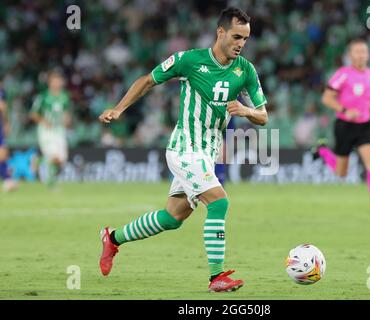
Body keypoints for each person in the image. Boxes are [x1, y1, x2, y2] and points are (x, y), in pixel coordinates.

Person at [98, 7, 268, 292]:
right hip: (184, 148)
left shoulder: (246, 70)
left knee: (172, 217)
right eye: (237, 36)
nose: (241, 43)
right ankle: (217, 277)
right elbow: (148, 80)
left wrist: (246, 111)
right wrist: (118, 109)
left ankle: (112, 238)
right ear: (220, 32)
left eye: (246, 38)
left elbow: (264, 116)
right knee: (219, 201)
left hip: (207, 154)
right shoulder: (189, 61)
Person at [315, 38, 370, 218]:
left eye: (363, 51)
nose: (361, 55)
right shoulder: (343, 74)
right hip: (344, 126)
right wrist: (344, 110)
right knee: (341, 173)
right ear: (350, 55)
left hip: (364, 126)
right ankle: (323, 151)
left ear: (368, 54)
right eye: (357, 51)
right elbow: (326, 98)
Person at [30, 71, 71, 188]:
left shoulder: (65, 97)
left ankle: (38, 160)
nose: (57, 83)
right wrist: (44, 121)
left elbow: (66, 112)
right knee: (53, 157)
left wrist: (67, 121)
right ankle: (50, 183)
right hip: (46, 131)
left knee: (61, 160)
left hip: (60, 131)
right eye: (54, 81)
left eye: (58, 81)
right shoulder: (43, 97)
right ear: (49, 83)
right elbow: (33, 114)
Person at [0, 83, 18, 192]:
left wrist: (6, 123)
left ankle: (8, 180)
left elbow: (3, 107)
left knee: (2, 153)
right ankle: (8, 180)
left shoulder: (2, 91)